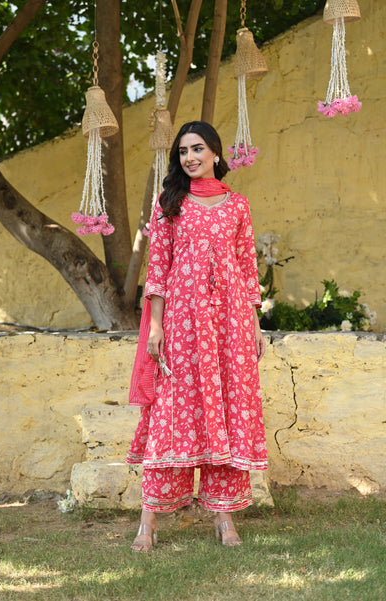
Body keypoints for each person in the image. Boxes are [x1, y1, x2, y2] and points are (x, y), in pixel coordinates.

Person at [127, 121, 267, 551]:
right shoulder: (171, 202)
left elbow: (246, 267)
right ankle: (148, 522)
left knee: (226, 407)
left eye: (198, 149)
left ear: (215, 153)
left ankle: (224, 518)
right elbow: (158, 268)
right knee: (172, 410)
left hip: (230, 322)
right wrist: (156, 326)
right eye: (183, 151)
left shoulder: (237, 205)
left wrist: (254, 325)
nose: (190, 157)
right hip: (184, 322)